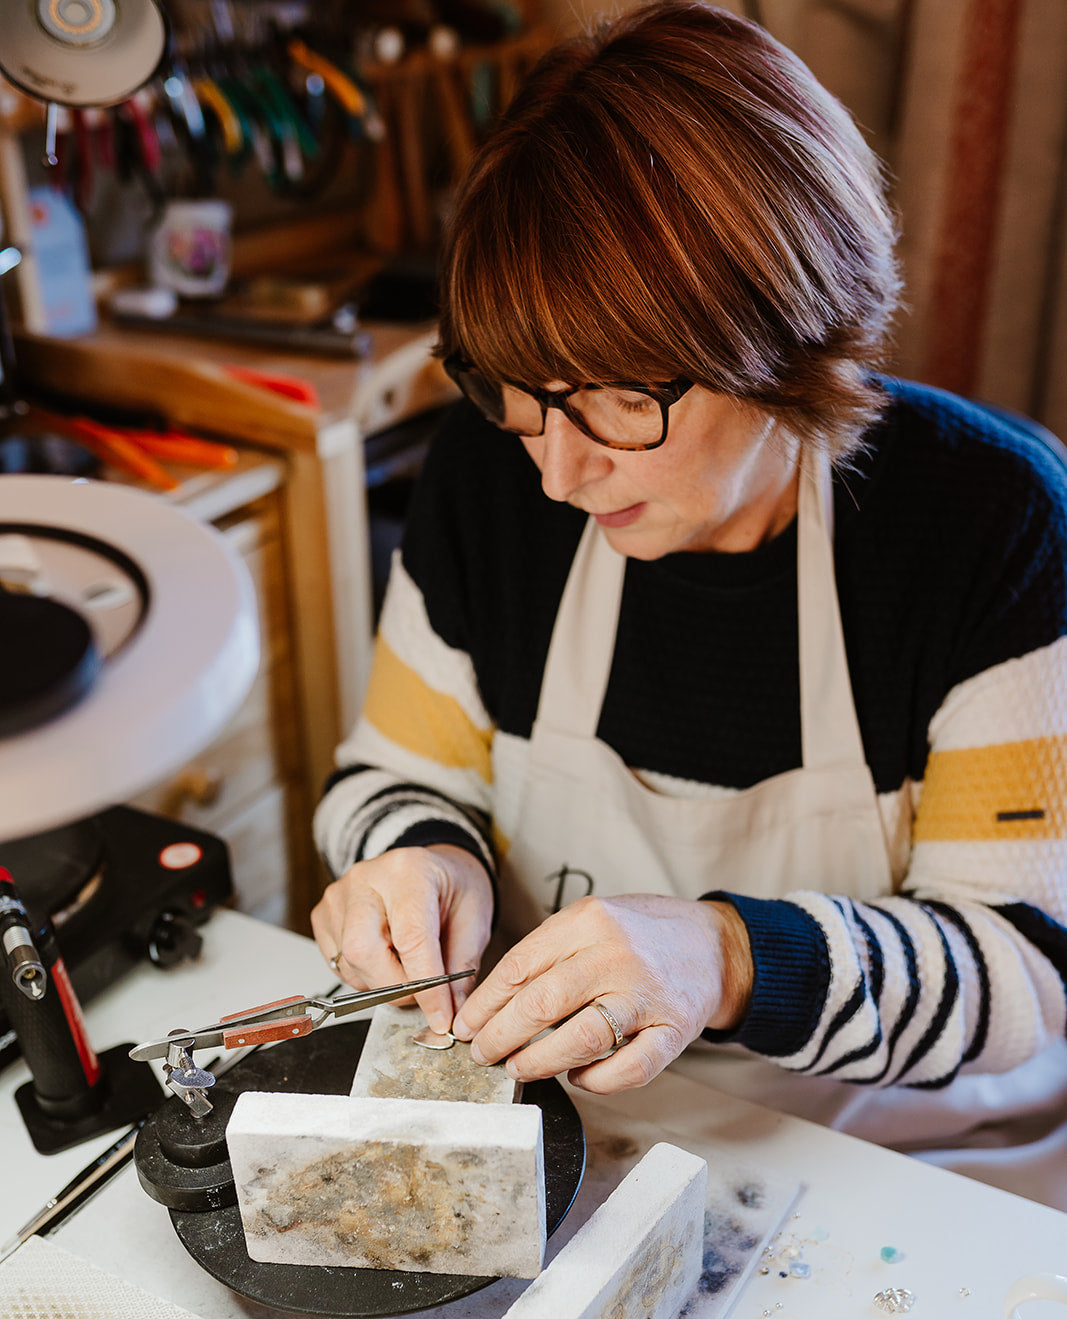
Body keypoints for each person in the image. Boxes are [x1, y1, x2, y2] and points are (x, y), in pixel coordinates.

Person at [312, 1, 1067, 1205]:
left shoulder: (989, 519)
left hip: (898, 1155)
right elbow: (383, 782)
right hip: (587, 1131)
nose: (557, 473)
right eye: (518, 394)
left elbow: (1014, 973)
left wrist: (723, 957)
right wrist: (416, 858)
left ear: (779, 333)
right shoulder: (486, 478)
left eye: (617, 400)